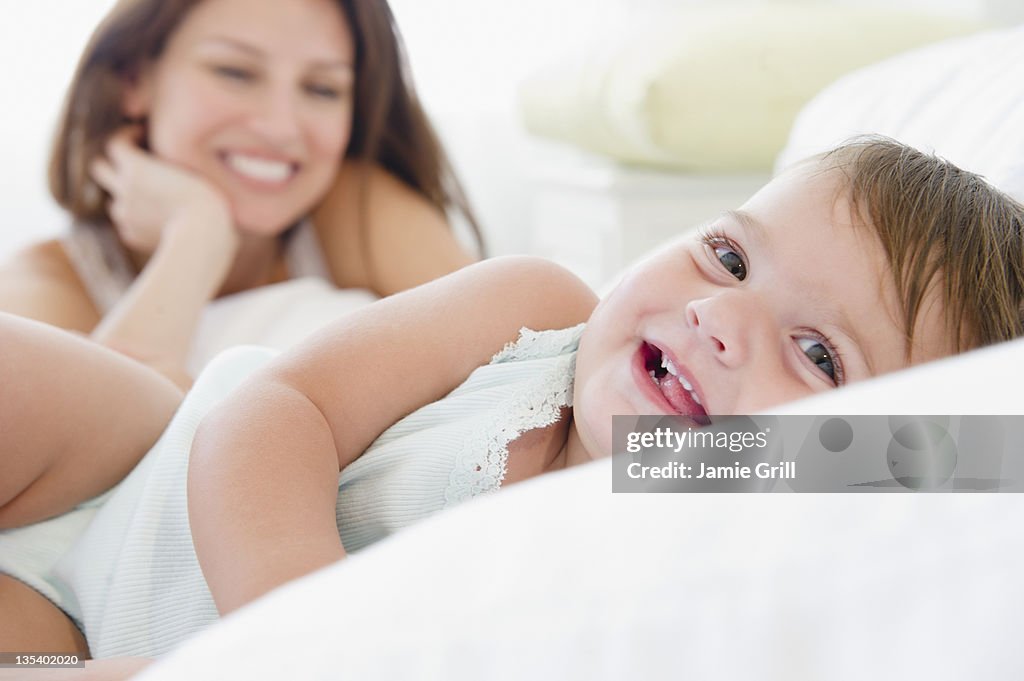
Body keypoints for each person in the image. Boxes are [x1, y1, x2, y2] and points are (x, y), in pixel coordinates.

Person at [1, 138, 1023, 677]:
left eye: (815, 353)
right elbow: (274, 412)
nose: (718, 315)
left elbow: (977, 461)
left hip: (96, 642)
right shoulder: (538, 313)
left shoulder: (668, 586)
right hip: (131, 461)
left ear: (848, 457)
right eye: (727, 254)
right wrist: (300, 640)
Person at [0, 0, 481, 388]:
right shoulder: (44, 287)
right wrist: (197, 235)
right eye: (235, 72)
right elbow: (101, 459)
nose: (280, 127)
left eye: (322, 88)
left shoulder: (351, 207)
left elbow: (520, 353)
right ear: (134, 81)